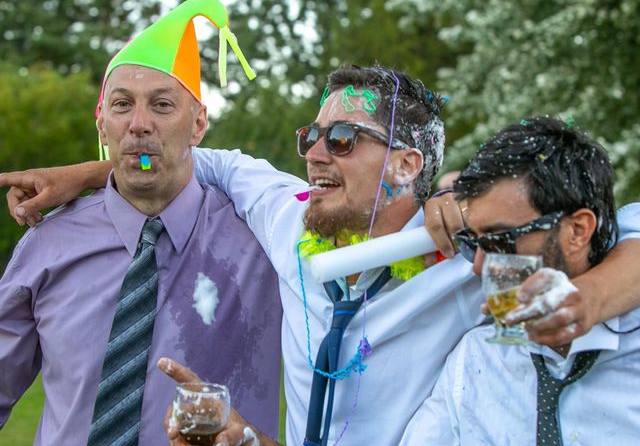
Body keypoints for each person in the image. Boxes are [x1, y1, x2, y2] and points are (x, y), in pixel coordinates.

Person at [3, 68, 640, 445]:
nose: (313, 155)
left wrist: (590, 301)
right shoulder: (289, 218)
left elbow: (619, 229)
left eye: (342, 139)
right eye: (312, 137)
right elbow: (208, 162)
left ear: (405, 163)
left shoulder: (471, 258)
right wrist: (85, 173)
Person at [0, 0, 283, 445]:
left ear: (198, 125)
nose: (139, 124)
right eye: (122, 105)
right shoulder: (46, 243)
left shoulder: (262, 245)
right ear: (102, 126)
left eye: (163, 106)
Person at [399, 117, 640, 445]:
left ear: (578, 230)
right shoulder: (476, 358)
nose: (480, 267)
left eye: (500, 240)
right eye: (474, 242)